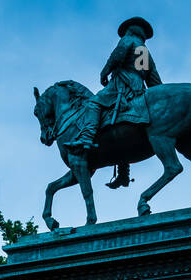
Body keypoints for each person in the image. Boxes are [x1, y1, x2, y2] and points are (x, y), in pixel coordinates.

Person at [68, 17, 161, 189]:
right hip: (138, 88)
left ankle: (86, 137)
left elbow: (117, 56)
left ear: (131, 30)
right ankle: (123, 174)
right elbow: (154, 80)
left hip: (121, 84)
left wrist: (104, 71)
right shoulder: (145, 52)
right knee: (120, 127)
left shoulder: (128, 40)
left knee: (93, 103)